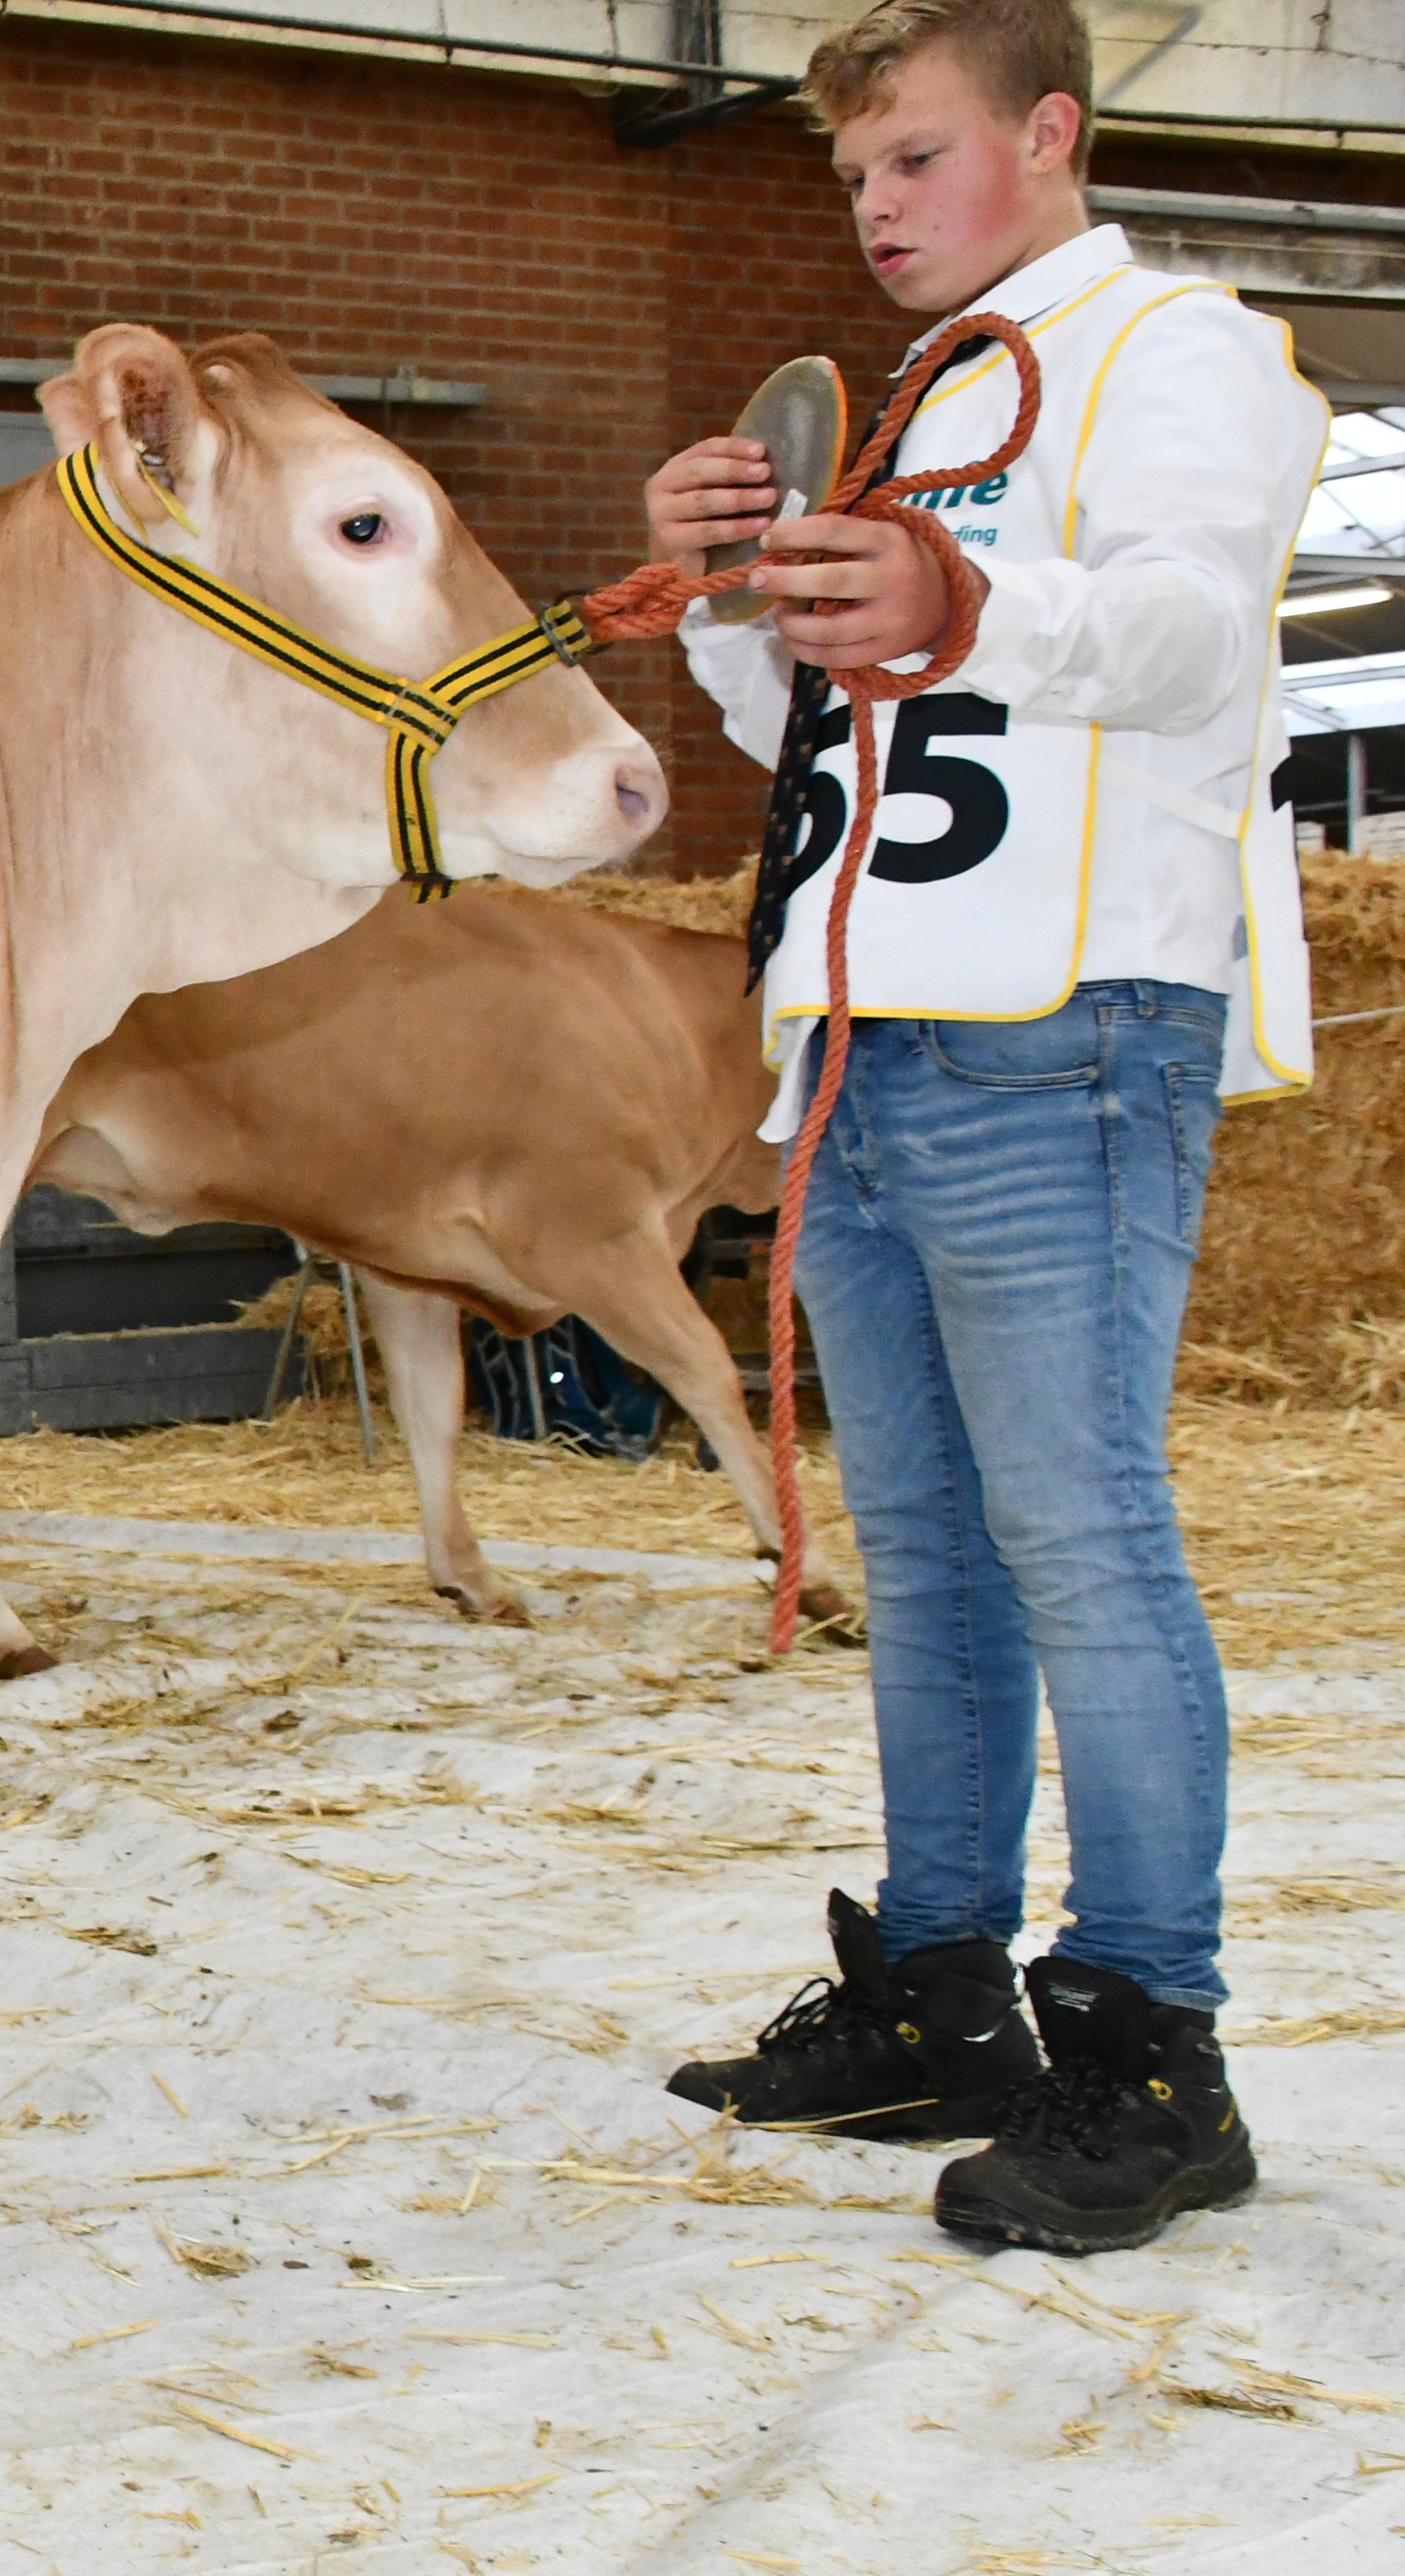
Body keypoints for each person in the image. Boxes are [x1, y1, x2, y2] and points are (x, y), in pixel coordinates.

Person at [642, 0, 1320, 2254]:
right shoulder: (914, 404)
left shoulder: (1174, 349)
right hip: (865, 1033)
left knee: (1079, 1536)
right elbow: (813, 728)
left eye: (913, 157)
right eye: (851, 174)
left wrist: (958, 595)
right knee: (926, 1552)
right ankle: (939, 1991)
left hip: (1060, 1020)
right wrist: (734, 592)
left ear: (1046, 132)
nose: (874, 205)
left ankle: (1150, 2045)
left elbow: (1188, 635)